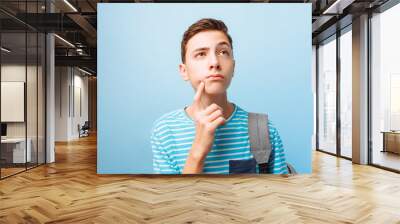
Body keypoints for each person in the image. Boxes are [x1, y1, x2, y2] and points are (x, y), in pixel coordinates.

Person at [150, 18, 288, 174]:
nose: (214, 62)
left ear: (233, 67)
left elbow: (278, 196)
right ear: (184, 71)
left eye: (223, 52)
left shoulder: (263, 129)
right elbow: (173, 198)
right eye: (201, 54)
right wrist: (198, 152)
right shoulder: (165, 130)